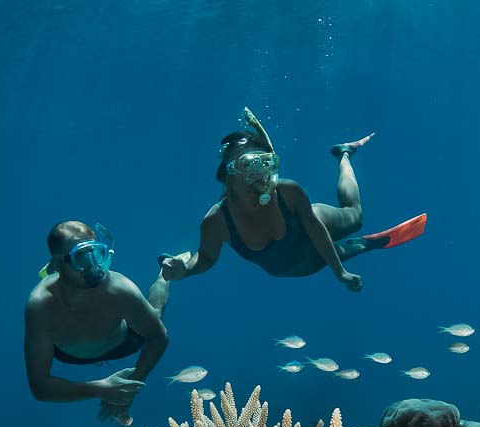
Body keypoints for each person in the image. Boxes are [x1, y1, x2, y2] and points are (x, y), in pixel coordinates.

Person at [160, 108, 426, 290]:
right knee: (328, 255)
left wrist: (339, 272)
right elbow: (205, 257)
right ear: (230, 174)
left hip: (310, 227)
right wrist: (185, 270)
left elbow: (315, 230)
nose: (260, 176)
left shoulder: (289, 192)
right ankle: (358, 247)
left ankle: (343, 154)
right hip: (302, 264)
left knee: (354, 217)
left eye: (266, 165)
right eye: (250, 167)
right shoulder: (217, 221)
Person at [24, 221, 168, 426]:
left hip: (122, 341)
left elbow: (159, 336)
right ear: (56, 264)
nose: (93, 267)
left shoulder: (119, 288)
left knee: (155, 313)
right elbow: (39, 386)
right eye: (81, 257)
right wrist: (100, 388)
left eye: (96, 254)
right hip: (69, 354)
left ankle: (165, 273)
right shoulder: (41, 305)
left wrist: (129, 387)